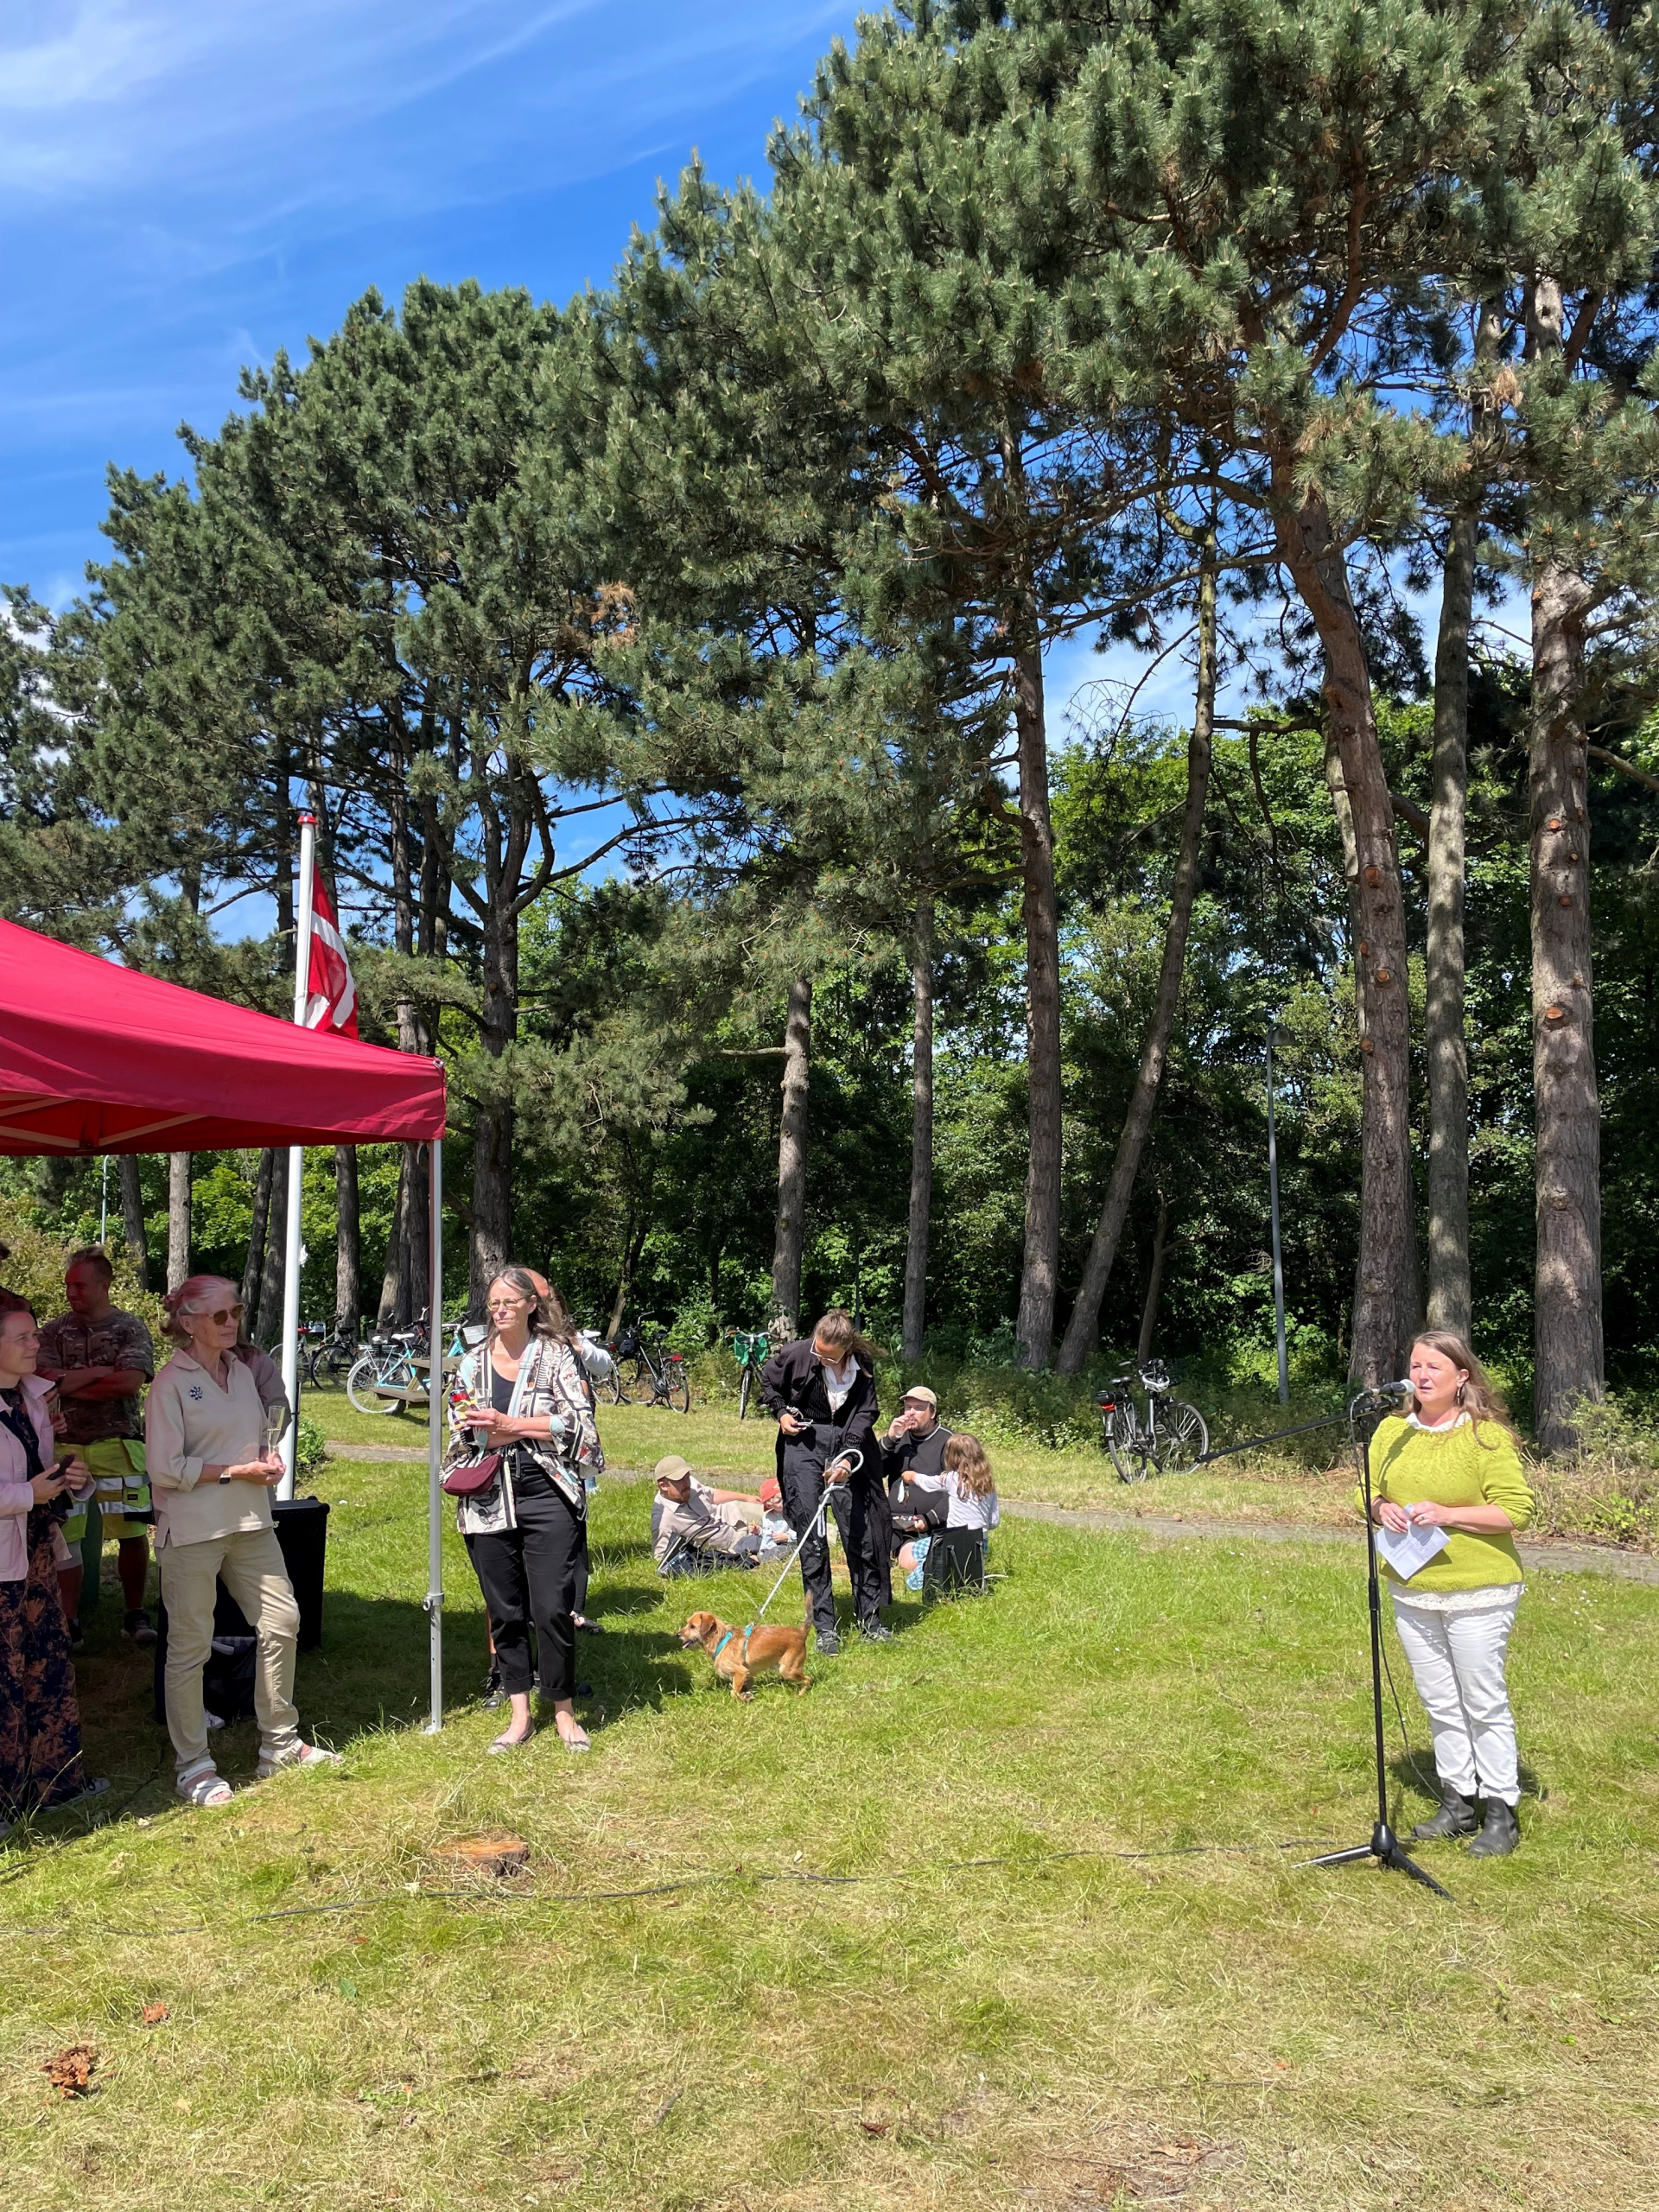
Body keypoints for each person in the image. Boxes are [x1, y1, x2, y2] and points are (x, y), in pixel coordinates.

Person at [145, 1275, 336, 1807]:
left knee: (283, 1620)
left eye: (237, 1312)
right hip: (192, 1529)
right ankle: (194, 1767)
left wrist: (266, 1463)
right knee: (188, 1646)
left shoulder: (243, 1373)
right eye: (220, 1316)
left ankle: (279, 1744)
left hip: (251, 1522)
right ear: (188, 1322)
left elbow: (255, 1441)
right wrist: (236, 1471)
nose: (232, 1323)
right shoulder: (171, 1383)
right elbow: (164, 1468)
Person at [1361, 1331, 1535, 1859]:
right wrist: (1378, 1507)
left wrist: (1448, 1513)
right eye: (1416, 1365)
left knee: (1482, 1700)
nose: (1422, 1375)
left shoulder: (1486, 1438)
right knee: (1438, 1699)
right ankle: (1458, 1800)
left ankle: (1501, 1809)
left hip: (1478, 1590)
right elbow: (1367, 1488)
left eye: (1435, 1367)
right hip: (1413, 1589)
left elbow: (1516, 1511)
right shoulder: (1391, 1432)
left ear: (1462, 1377)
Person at [449, 1268, 601, 1754]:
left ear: (532, 1305)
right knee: (504, 1610)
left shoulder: (557, 1356)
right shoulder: (471, 1364)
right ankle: (519, 1715)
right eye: (493, 1302)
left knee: (553, 1607)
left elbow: (580, 1424)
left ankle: (562, 1710)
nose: (500, 1310)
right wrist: (532, 1426)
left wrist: (509, 1423)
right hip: (488, 1494)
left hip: (546, 1491)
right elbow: (467, 1432)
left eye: (510, 1302)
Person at [0, 1304, 107, 1831]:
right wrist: (27, 1493)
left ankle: (58, 1782)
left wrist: (69, 1478)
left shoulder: (32, 1399)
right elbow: (21, 1486)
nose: (34, 1344)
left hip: (36, 1555)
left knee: (46, 1668)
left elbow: (37, 1471)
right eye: (21, 1337)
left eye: (33, 1334)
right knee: (3, 1680)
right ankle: (4, 1803)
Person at [36, 1247, 157, 1647]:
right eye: (68, 1285)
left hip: (117, 1444)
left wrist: (71, 1382)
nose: (71, 1292)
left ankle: (134, 1613)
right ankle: (69, 1620)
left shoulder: (129, 1328)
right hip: (64, 1448)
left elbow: (128, 1383)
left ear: (104, 1286)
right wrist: (99, 1373)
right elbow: (43, 1381)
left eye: (80, 1285)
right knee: (64, 1537)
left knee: (131, 1531)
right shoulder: (52, 1331)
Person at [758, 1307, 887, 1653]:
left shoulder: (861, 1364)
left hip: (850, 1442)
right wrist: (782, 1413)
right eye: (818, 1349)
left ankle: (870, 1618)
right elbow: (768, 1381)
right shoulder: (798, 1353)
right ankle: (825, 1627)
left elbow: (867, 1411)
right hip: (804, 1444)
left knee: (859, 1533)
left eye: (828, 1355)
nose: (820, 1356)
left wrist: (848, 1455)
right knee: (812, 1537)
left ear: (846, 1349)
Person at [896, 1430, 1001, 1592]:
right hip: (980, 1543)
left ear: (952, 1458)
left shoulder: (953, 1479)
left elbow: (927, 1483)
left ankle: (930, 1576)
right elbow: (994, 1521)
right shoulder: (988, 1484)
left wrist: (911, 1476)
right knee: (964, 1569)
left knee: (918, 1552)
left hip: (953, 1541)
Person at [651, 1454, 765, 1574]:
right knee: (776, 1542)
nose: (686, 1483)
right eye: (680, 1480)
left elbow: (712, 1495)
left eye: (687, 1477)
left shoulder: (690, 1483)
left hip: (734, 1512)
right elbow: (662, 1558)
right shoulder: (664, 1519)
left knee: (778, 1514)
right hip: (735, 1542)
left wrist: (747, 1498)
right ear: (663, 1485)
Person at [880, 1385, 955, 1543]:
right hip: (893, 1523)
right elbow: (874, 1471)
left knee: (910, 1559)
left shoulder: (948, 1441)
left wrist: (929, 1520)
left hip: (930, 1526)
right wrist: (889, 1439)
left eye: (918, 1408)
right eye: (908, 1408)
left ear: (932, 1413)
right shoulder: (899, 1437)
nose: (911, 1413)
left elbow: (957, 1491)